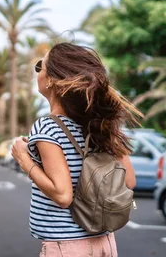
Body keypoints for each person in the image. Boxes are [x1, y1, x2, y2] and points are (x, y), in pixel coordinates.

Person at [12, 42, 141, 257]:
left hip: (66, 247)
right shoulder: (99, 125)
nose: (37, 73)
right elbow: (129, 181)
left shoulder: (47, 126)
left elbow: (63, 196)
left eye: (39, 66)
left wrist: (25, 161)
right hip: (106, 244)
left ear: (52, 79)